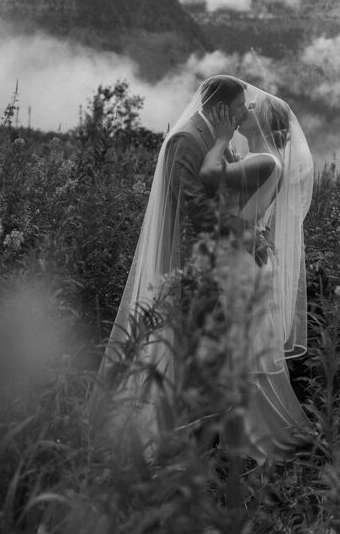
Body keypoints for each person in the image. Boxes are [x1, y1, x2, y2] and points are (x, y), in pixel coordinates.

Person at [94, 76, 314, 465]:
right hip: (199, 264)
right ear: (223, 109)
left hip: (224, 266)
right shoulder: (187, 140)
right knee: (201, 353)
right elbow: (193, 207)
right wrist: (245, 230)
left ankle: (209, 440)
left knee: (222, 355)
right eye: (241, 106)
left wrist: (247, 230)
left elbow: (218, 194)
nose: (245, 112)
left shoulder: (229, 146)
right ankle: (188, 439)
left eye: (250, 109)